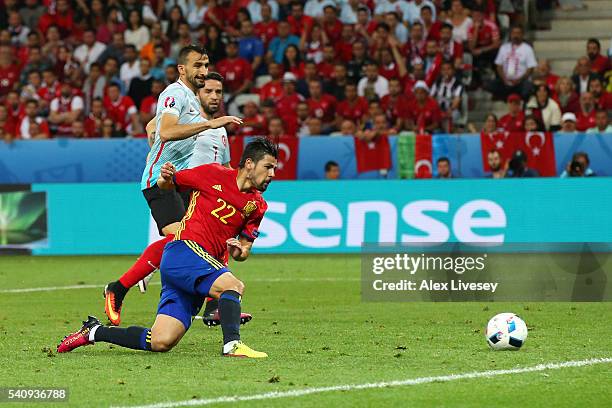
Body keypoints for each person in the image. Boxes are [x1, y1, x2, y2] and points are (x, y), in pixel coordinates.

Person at [57, 138, 278, 358]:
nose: (272, 175)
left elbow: (245, 249)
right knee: (233, 286)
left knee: (161, 340)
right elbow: (168, 184)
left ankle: (94, 332)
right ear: (249, 163)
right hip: (184, 250)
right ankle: (232, 344)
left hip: (197, 267)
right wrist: (165, 177)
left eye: (274, 169)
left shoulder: (258, 206)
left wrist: (239, 251)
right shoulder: (213, 174)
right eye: (268, 167)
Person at [102, 46, 242, 327]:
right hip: (163, 182)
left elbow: (223, 167)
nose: (212, 92)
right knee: (182, 240)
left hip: (186, 188)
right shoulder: (176, 96)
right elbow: (158, 129)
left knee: (205, 239)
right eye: (199, 68)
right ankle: (119, 287)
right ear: (184, 70)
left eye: (218, 90)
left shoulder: (207, 119)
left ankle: (212, 303)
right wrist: (157, 145)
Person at [488, 25, 536, 101]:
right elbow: (499, 65)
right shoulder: (504, 48)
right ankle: (505, 98)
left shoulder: (527, 49)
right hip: (505, 80)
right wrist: (504, 78)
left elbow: (530, 68)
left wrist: (519, 79)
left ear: (522, 35)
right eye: (513, 33)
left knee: (528, 86)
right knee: (490, 84)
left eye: (518, 33)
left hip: (520, 81)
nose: (515, 35)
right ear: (510, 35)